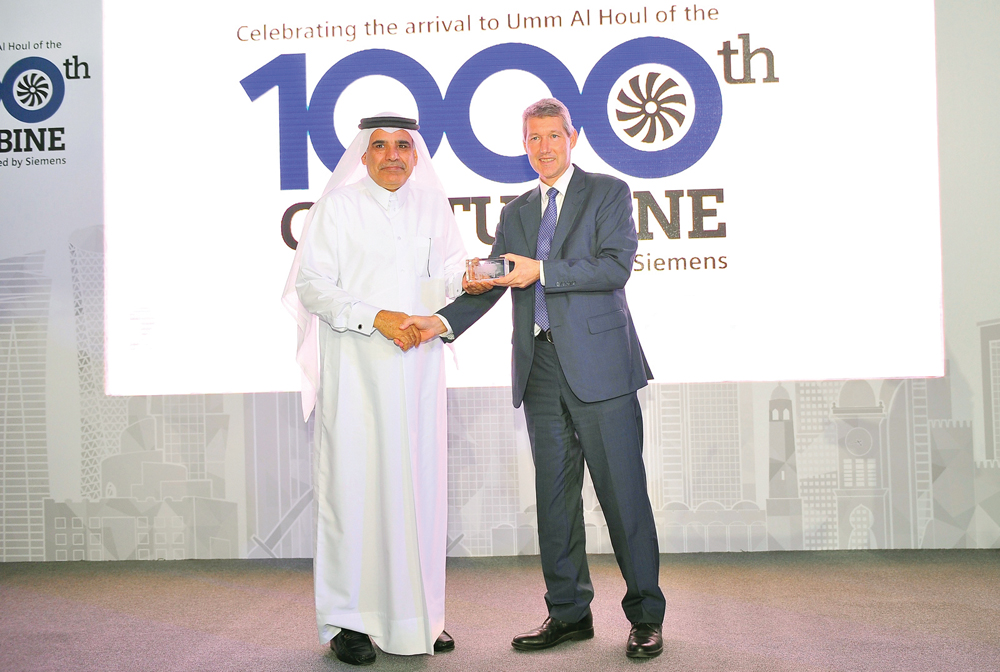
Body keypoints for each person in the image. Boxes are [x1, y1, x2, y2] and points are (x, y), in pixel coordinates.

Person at [402, 98, 666, 659]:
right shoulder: (518, 212)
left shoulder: (609, 192)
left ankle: (646, 616)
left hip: (603, 372)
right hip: (540, 369)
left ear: (573, 138)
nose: (544, 147)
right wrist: (442, 321)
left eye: (553, 135)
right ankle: (568, 613)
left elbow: (614, 267)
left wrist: (540, 270)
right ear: (524, 145)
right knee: (554, 501)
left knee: (624, 499)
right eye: (533, 138)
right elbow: (498, 283)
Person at [283, 113, 469, 666]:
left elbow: (451, 275)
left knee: (419, 491)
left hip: (419, 372)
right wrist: (377, 317)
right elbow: (312, 285)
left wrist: (472, 280)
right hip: (358, 375)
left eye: (403, 147)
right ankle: (349, 622)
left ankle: (420, 618)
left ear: (416, 155)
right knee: (355, 493)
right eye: (380, 146)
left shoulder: (433, 206)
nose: (393, 155)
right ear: (363, 155)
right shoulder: (337, 208)